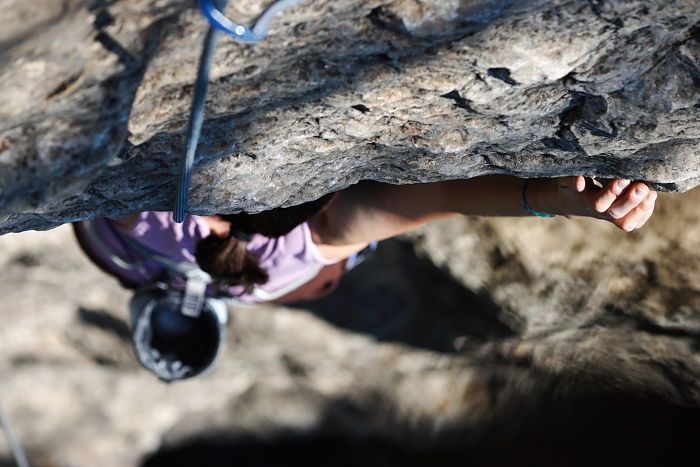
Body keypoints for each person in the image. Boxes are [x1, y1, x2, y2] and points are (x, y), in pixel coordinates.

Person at [75, 175, 657, 304]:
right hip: (116, 240)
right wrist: (551, 200)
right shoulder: (262, 270)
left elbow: (432, 201)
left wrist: (551, 200)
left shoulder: (282, 266)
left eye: (336, 278)